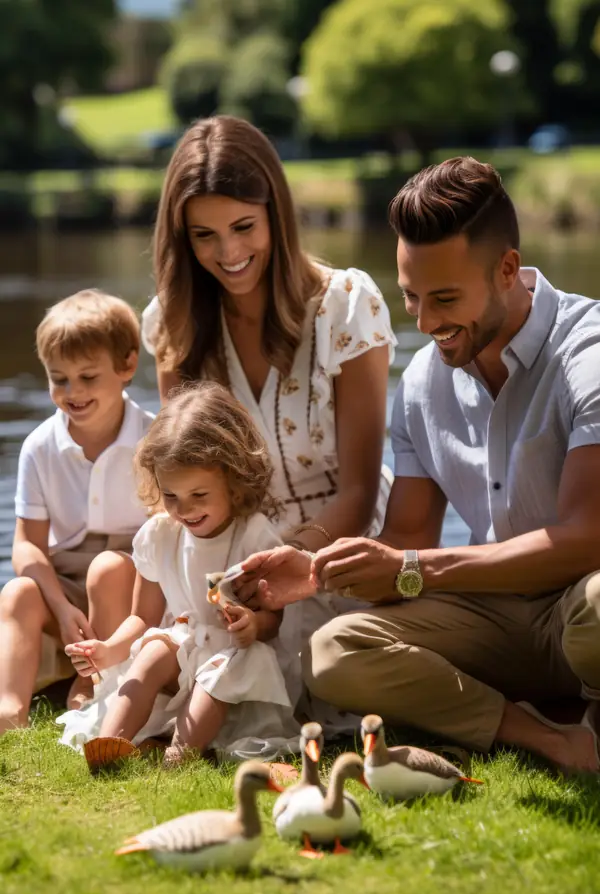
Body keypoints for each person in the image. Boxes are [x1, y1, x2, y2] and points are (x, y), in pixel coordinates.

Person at [238, 156, 600, 775]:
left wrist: (412, 569)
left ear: (507, 269)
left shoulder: (587, 355)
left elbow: (585, 538)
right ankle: (549, 737)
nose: (427, 323)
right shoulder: (423, 384)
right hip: (496, 617)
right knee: (334, 652)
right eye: (411, 297)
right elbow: (409, 537)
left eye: (445, 298)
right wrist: (318, 573)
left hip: (583, 601)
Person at [141, 114, 397, 733]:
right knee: (171, 662)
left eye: (243, 227)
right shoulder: (172, 321)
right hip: (227, 555)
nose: (228, 253)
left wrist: (289, 557)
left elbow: (360, 492)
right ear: (182, 239)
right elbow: (178, 475)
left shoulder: (346, 305)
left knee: (320, 678)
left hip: (332, 549)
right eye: (204, 235)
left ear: (275, 215)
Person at [57, 383, 300, 767]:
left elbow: (274, 620)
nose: (184, 510)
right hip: (185, 642)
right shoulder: (160, 535)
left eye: (199, 496)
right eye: (171, 496)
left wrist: (252, 624)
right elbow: (142, 618)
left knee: (216, 677)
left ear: (234, 481)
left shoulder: (253, 536)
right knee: (153, 651)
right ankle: (108, 746)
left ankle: (179, 756)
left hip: (236, 654)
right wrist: (108, 650)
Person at [0, 290, 154, 736]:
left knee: (107, 570)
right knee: (17, 593)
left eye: (88, 376)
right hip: (66, 584)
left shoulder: (153, 441)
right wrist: (61, 607)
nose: (73, 392)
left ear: (127, 365)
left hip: (130, 584)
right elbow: (27, 546)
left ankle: (91, 686)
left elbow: (165, 538)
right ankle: (10, 709)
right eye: (59, 379)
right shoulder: (40, 446)